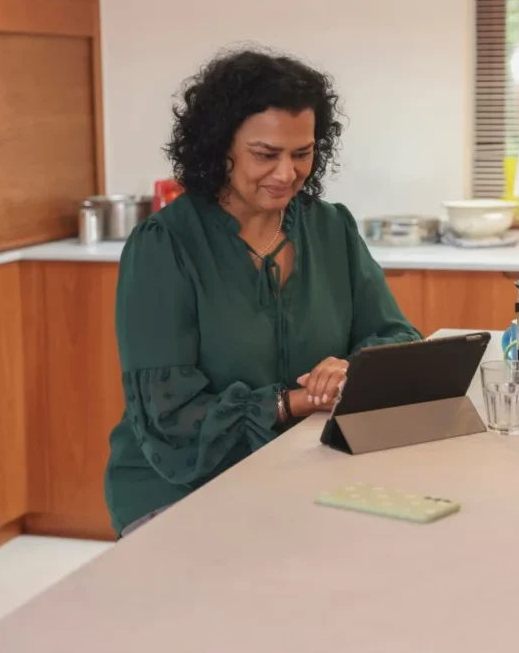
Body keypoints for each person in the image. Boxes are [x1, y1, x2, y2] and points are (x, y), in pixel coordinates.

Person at [104, 49, 421, 538]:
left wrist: (354, 369)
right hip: (181, 491)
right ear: (219, 146)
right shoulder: (164, 247)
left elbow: (398, 337)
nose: (286, 174)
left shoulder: (330, 227)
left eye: (302, 153)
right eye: (265, 154)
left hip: (309, 472)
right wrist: (297, 400)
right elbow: (171, 420)